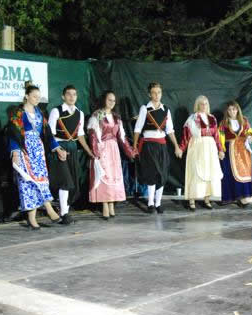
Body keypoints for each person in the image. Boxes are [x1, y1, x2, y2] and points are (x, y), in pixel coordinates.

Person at [7, 84, 64, 229]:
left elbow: (47, 133)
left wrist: (57, 148)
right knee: (28, 181)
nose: (37, 99)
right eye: (34, 96)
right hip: (24, 149)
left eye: (39, 97)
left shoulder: (39, 113)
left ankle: (34, 218)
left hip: (38, 151)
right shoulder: (18, 113)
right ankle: (47, 212)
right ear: (27, 96)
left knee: (41, 180)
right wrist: (15, 152)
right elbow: (13, 133)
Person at [47, 85, 95, 224]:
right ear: (63, 96)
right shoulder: (56, 111)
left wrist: (89, 151)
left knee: (73, 182)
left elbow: (80, 135)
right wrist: (58, 150)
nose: (72, 97)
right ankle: (64, 213)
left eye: (74, 94)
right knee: (65, 181)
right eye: (68, 94)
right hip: (59, 147)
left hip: (72, 148)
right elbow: (49, 134)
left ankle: (64, 211)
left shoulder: (79, 113)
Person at [133, 82, 182, 214]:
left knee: (162, 174)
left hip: (162, 146)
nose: (156, 95)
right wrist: (134, 146)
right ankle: (150, 203)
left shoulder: (166, 109)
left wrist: (176, 147)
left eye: (159, 92)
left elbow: (170, 130)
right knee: (152, 173)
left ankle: (158, 203)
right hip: (149, 145)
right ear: (149, 94)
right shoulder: (145, 108)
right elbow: (138, 128)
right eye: (154, 93)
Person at [87, 91, 137, 220]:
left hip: (114, 150)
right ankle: (105, 204)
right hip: (102, 148)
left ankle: (111, 204)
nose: (112, 102)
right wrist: (96, 151)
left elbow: (122, 137)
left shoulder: (116, 117)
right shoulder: (97, 115)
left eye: (114, 100)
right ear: (104, 100)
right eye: (109, 100)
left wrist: (130, 151)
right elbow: (93, 135)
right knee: (105, 174)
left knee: (114, 176)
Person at [176, 95, 224, 210]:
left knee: (209, 173)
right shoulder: (192, 118)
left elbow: (216, 136)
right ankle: (192, 200)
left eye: (206, 103)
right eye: (201, 104)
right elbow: (186, 136)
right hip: (197, 147)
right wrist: (181, 149)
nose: (204, 106)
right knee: (195, 173)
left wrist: (220, 150)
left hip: (210, 148)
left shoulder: (212, 118)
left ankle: (207, 199)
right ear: (197, 105)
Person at [218, 101, 252, 207]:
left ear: (237, 110)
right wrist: (221, 150)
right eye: (229, 110)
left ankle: (243, 197)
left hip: (242, 151)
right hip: (229, 151)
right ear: (227, 111)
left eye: (234, 109)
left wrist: (250, 136)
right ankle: (230, 198)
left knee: (243, 172)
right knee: (228, 174)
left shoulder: (244, 120)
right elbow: (219, 138)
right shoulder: (223, 123)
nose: (232, 111)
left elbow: (249, 132)